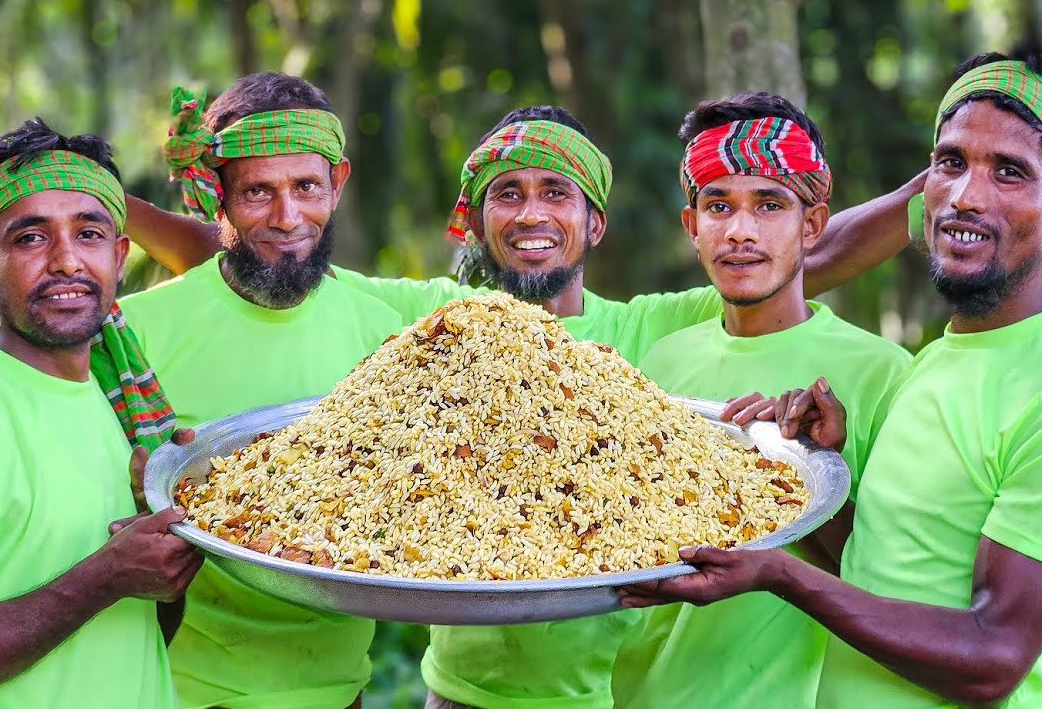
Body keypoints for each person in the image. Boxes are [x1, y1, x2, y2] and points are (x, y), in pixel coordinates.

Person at [126, 96, 921, 709]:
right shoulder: (434, 326)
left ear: (594, 220)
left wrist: (940, 192)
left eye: (557, 193)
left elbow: (798, 252)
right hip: (458, 691)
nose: (533, 214)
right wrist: (98, 209)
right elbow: (270, 244)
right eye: (507, 193)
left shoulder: (648, 334)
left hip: (600, 695)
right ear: (472, 218)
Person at [620, 51, 1042, 708]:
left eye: (1008, 171)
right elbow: (878, 578)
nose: (966, 195)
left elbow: (992, 659)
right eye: (950, 163)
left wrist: (781, 575)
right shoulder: (945, 358)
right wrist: (805, 475)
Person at [0, 118, 201, 709]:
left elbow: (138, 637)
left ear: (120, 256)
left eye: (90, 234)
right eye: (30, 239)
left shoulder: (119, 409)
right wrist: (100, 580)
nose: (67, 261)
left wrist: (164, 558)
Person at [610, 92, 912, 708]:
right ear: (693, 227)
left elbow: (899, 590)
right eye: (718, 206)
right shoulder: (659, 365)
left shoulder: (883, 374)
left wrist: (806, 471)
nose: (740, 230)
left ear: (813, 224)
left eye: (769, 204)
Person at [118, 73, 404, 709]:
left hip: (343, 693)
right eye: (256, 193)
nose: (287, 218)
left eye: (306, 186)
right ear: (217, 195)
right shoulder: (137, 335)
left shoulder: (383, 334)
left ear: (339, 182)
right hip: (184, 693)